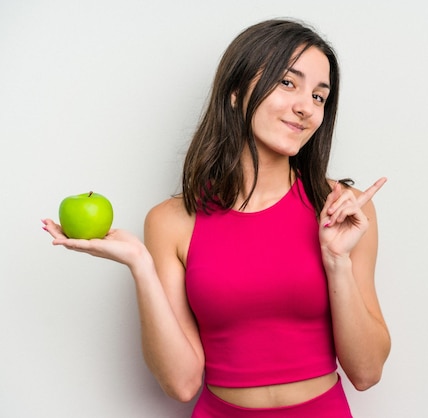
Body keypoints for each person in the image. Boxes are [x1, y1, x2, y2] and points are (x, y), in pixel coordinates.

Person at [43, 18, 390, 417]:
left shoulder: (342, 210)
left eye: (319, 96)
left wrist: (337, 263)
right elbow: (181, 383)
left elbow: (367, 372)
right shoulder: (170, 221)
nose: (305, 107)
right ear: (235, 92)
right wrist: (141, 267)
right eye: (288, 83)